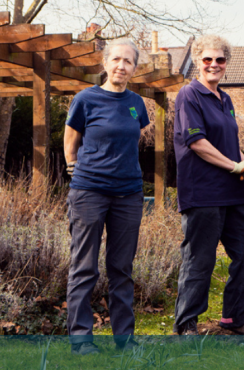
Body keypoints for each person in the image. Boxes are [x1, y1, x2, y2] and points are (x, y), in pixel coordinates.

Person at [172, 35, 244, 336]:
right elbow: (197, 143)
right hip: (203, 192)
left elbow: (229, 144)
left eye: (220, 59)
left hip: (234, 190)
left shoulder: (225, 99)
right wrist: (234, 165)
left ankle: (236, 317)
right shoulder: (189, 95)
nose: (214, 64)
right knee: (200, 259)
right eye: (207, 59)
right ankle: (187, 324)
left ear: (227, 63)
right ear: (197, 62)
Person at [63, 39, 149, 354]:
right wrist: (76, 169)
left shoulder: (136, 103)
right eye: (116, 60)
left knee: (122, 268)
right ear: (105, 63)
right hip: (89, 193)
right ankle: (81, 339)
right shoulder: (86, 99)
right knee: (84, 266)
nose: (121, 66)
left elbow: (130, 141)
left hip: (128, 194)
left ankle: (124, 340)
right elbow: (70, 139)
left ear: (134, 68)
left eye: (128, 62)